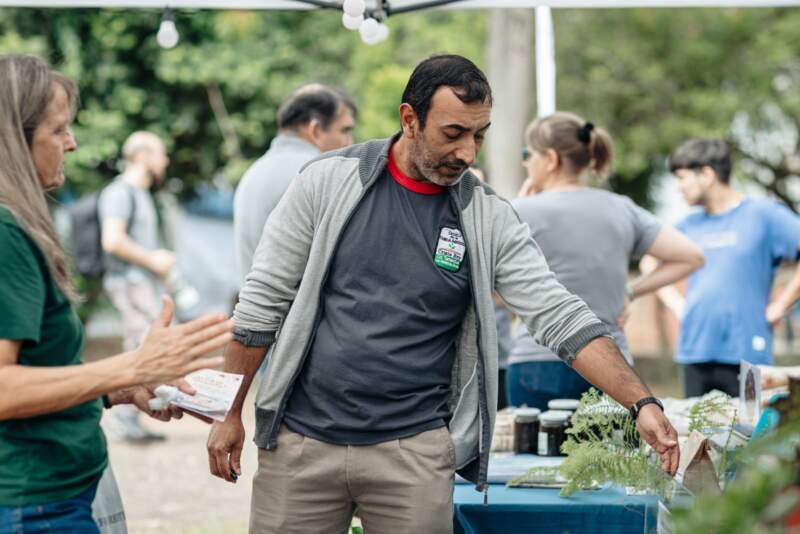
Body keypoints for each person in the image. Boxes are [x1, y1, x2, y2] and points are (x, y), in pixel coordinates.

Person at [207, 55, 679, 534]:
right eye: (453, 134)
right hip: (300, 444)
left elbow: (558, 314)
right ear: (409, 119)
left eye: (479, 135)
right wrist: (227, 412)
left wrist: (640, 402)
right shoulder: (327, 181)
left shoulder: (487, 215)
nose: (468, 153)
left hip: (414, 453)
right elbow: (261, 304)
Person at [0, 54, 233, 533]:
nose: (72, 142)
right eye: (59, 130)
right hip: (34, 505)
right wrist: (132, 366)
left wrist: (116, 388)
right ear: (14, 141)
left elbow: (39, 372)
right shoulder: (5, 234)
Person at [505, 112, 705, 410]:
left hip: (538, 361)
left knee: (534, 457)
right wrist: (631, 291)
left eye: (527, 154)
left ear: (549, 159)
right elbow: (691, 256)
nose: (525, 163)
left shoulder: (518, 211)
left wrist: (519, 205)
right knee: (608, 456)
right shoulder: (622, 208)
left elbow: (497, 292)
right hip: (613, 366)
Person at [651, 138, 800, 397]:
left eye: (682, 177)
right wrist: (677, 304)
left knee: (749, 435)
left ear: (707, 174)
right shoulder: (687, 226)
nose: (678, 188)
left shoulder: (765, 214)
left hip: (748, 354)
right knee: (699, 435)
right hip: (694, 352)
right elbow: (649, 260)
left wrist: (780, 305)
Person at [99, 130, 179, 442]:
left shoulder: (142, 194)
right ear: (143, 156)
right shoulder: (120, 192)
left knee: (146, 343)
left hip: (142, 282)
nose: (166, 160)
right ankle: (124, 417)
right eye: (161, 153)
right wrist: (153, 260)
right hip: (129, 282)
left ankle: (130, 415)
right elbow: (112, 240)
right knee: (141, 344)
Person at [234, 83, 357, 281]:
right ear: (315, 130)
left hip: (258, 308)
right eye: (345, 131)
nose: (350, 142)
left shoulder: (254, 173)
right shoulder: (320, 175)